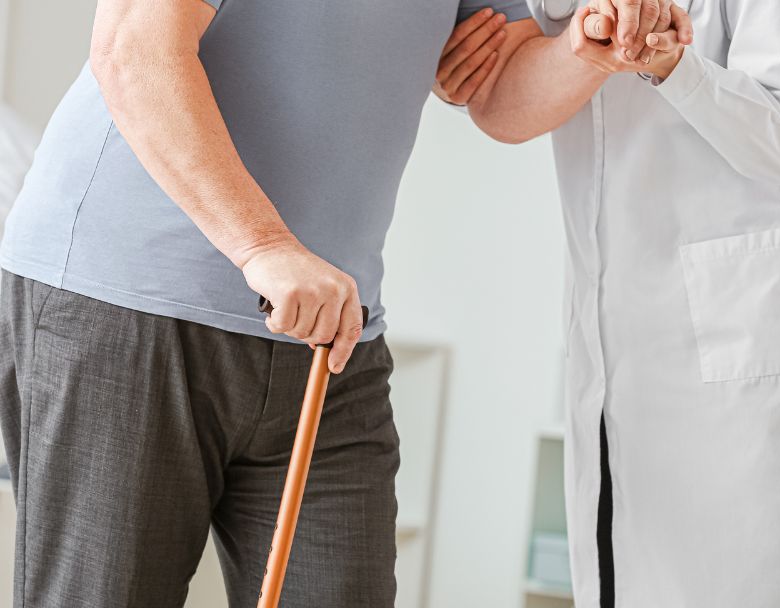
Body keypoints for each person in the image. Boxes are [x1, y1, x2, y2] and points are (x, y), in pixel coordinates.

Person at [0, 0, 682, 605]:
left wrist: (584, 53)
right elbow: (133, 49)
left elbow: (496, 81)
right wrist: (264, 246)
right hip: (125, 303)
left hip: (330, 335)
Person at [434, 1, 780, 607]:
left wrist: (675, 67)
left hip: (749, 324)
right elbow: (500, 78)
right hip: (618, 330)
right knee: (634, 566)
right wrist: (466, 78)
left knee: (772, 574)